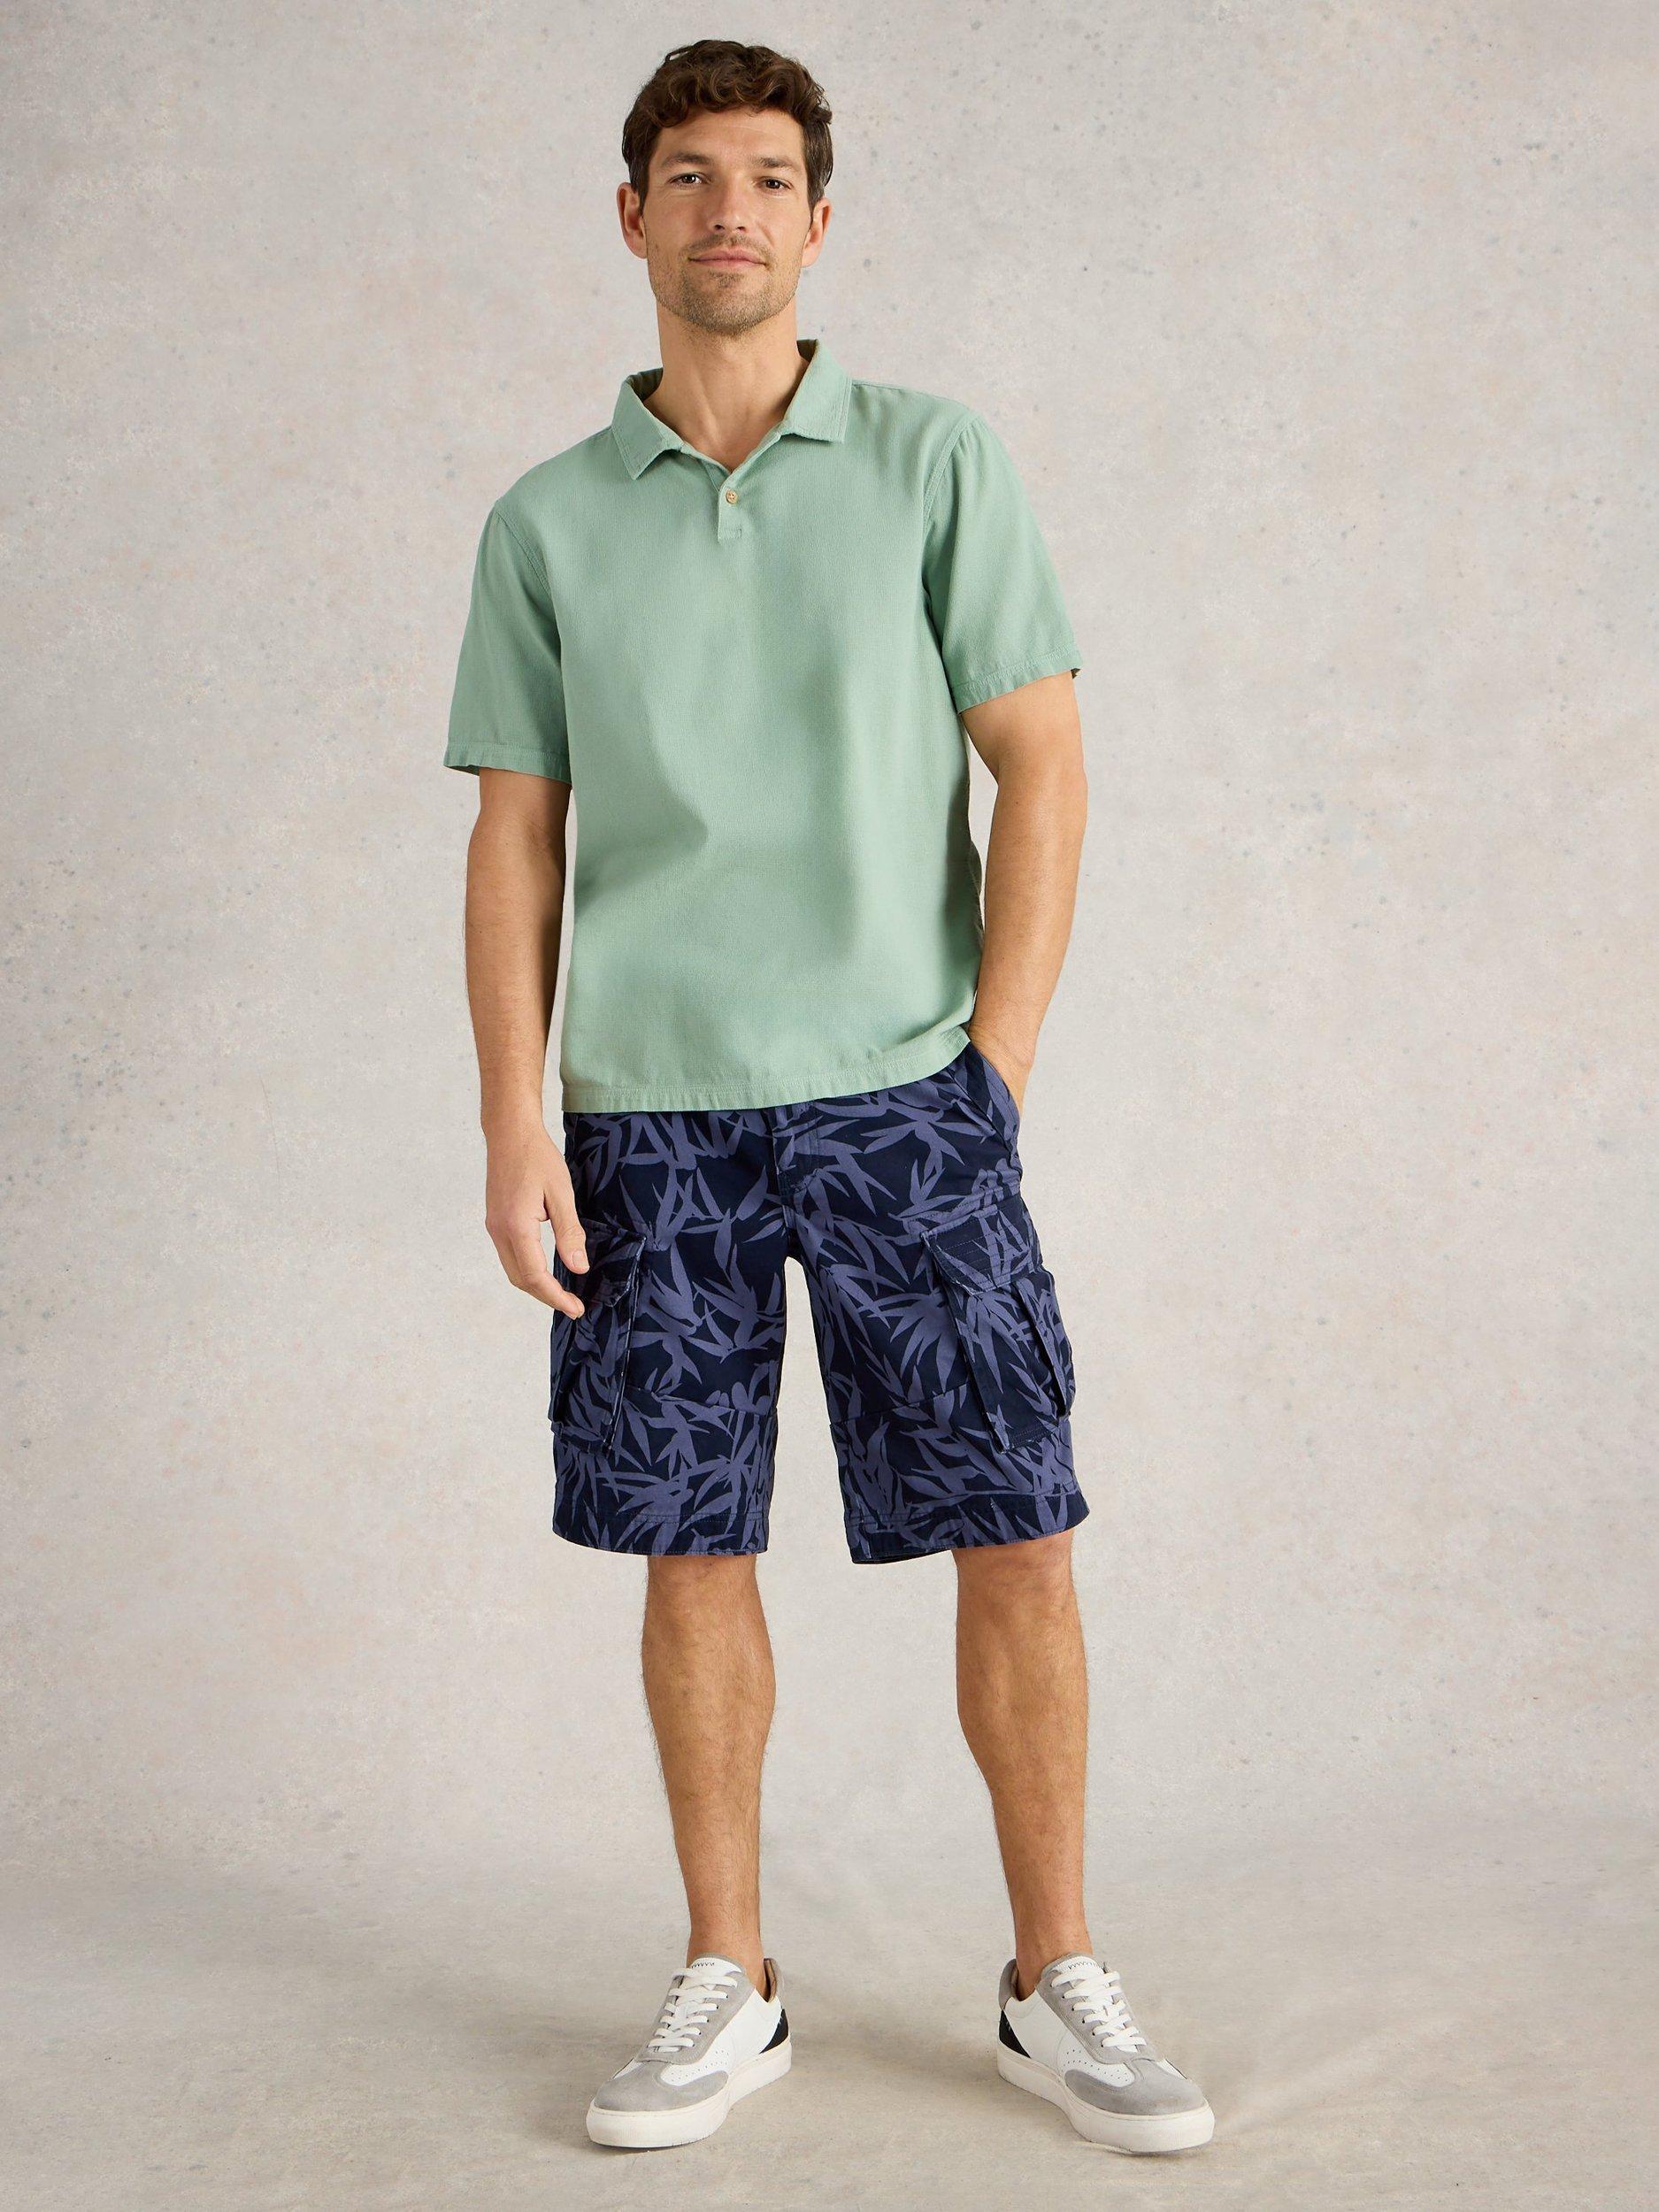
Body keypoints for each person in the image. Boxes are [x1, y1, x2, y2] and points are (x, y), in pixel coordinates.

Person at [442, 37, 1213, 2158]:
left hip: (901, 1097)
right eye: (689, 175)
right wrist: (512, 1117)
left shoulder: (932, 461)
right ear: (631, 216)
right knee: (686, 1538)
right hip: (644, 1112)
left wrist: (995, 1063)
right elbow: (515, 835)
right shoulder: (543, 523)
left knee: (1016, 1522)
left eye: (768, 176)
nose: (730, 211)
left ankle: (1053, 1973)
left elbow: (1041, 760)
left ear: (816, 217)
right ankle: (730, 1972)